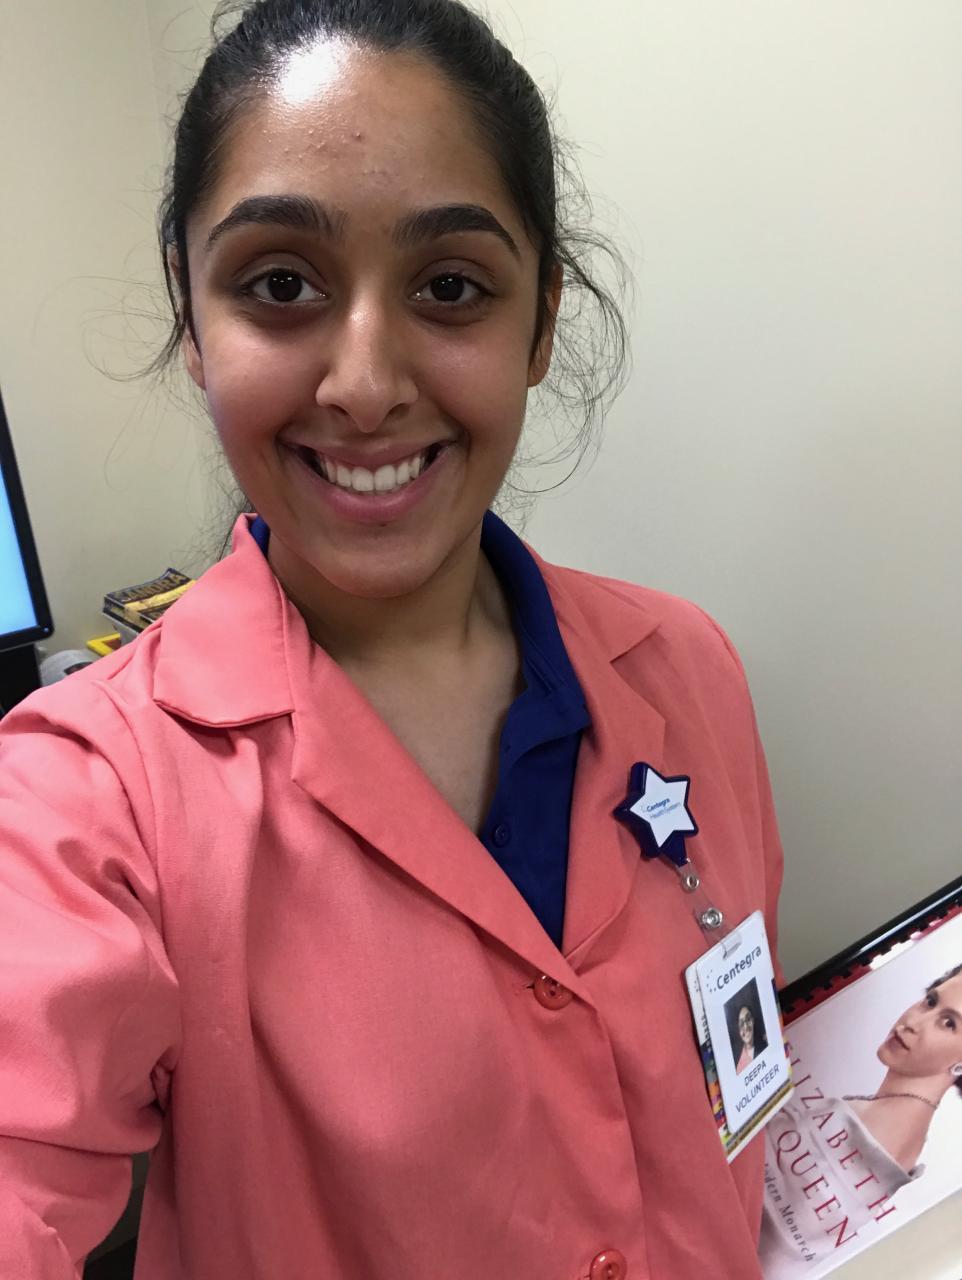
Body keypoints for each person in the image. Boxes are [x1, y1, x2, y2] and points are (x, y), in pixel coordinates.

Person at [0, 2, 785, 1277]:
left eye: (449, 287)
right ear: (194, 323)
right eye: (280, 285)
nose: (364, 384)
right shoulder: (83, 799)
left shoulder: (686, 666)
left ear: (540, 322)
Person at [758, 963, 962, 1269]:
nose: (913, 1022)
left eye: (948, 1023)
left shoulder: (883, 1131)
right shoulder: (886, 1115)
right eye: (930, 1001)